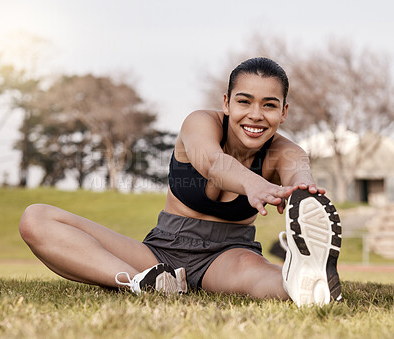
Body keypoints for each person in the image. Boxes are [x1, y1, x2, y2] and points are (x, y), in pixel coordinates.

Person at [19, 57, 342, 306]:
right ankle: (142, 282)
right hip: (161, 254)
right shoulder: (200, 123)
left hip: (229, 256)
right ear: (227, 103)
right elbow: (212, 162)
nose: (256, 115)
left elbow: (301, 178)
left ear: (283, 112)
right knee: (35, 218)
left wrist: (302, 194)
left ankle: (305, 277)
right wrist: (254, 184)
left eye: (269, 105)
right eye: (245, 101)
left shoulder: (288, 152)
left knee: (281, 287)